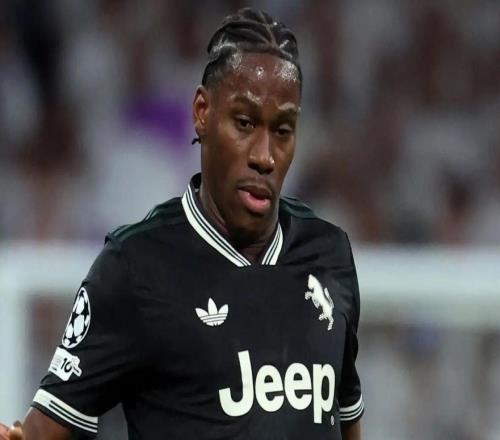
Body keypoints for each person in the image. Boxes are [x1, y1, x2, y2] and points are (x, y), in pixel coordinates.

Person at [0, 8, 363, 440]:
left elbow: (346, 425)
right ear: (202, 112)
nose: (264, 156)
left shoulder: (329, 254)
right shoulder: (136, 267)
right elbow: (42, 433)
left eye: (282, 130)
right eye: (244, 123)